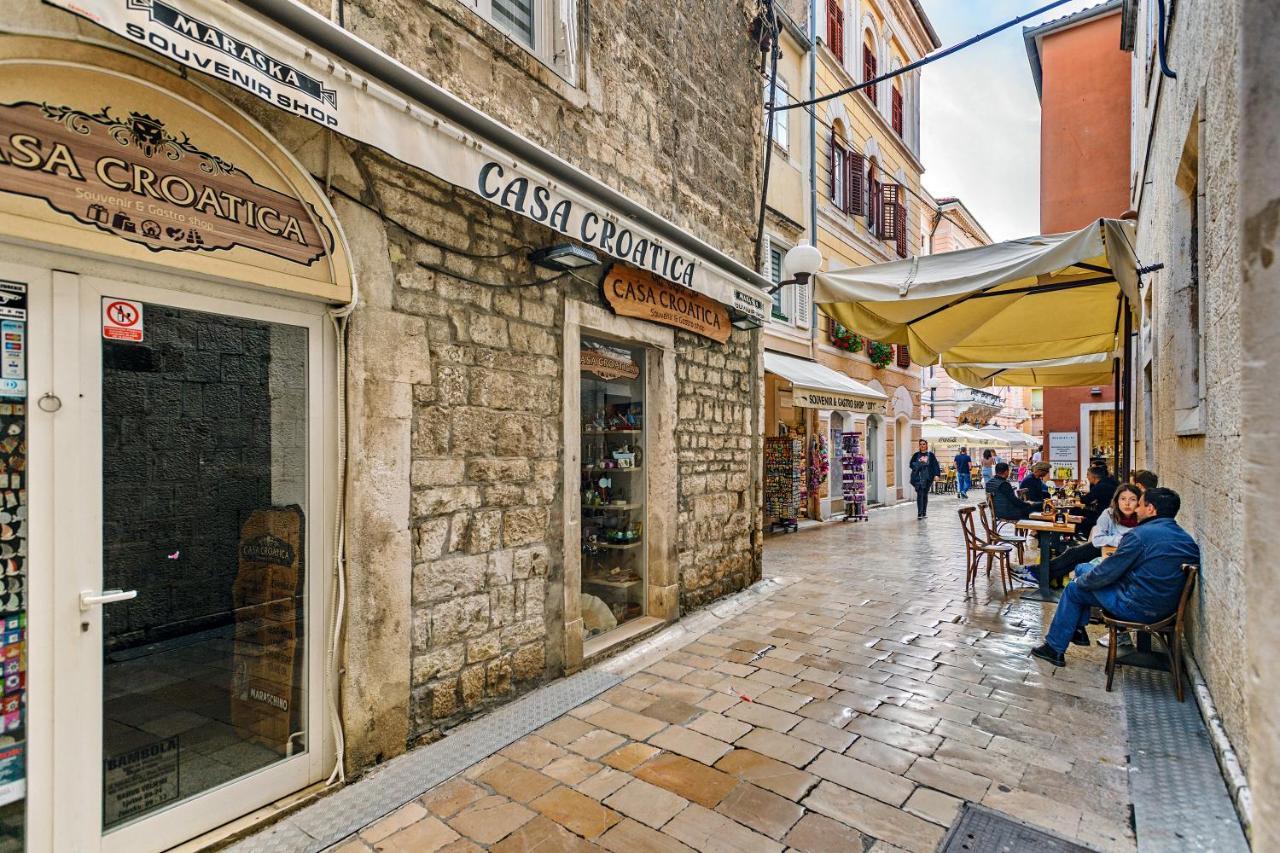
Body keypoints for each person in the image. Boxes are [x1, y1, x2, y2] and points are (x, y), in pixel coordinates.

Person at [1031, 488, 1200, 666]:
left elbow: (1107, 573)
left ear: (1151, 509)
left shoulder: (1139, 535)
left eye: (1140, 504)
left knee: (1074, 588)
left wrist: (1079, 582)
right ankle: (1077, 629)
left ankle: (1055, 647)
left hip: (1139, 606)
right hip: (1166, 606)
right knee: (1082, 568)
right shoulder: (1186, 539)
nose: (1136, 509)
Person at [1035, 484, 1142, 585]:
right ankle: (1042, 574)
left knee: (1076, 554)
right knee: (1074, 553)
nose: (1127, 503)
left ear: (1139, 502)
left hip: (1128, 555)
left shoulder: (1142, 518)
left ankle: (1038, 573)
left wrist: (1112, 539)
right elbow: (1097, 540)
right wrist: (1121, 540)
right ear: (1117, 501)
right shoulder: (1109, 513)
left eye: (1132, 499)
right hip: (1108, 550)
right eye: (1123, 499)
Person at [1076, 463, 1118, 537]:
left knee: (1076, 512)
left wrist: (1078, 494)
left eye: (1088, 475)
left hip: (1106, 515)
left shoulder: (1100, 486)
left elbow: (1085, 500)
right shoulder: (1109, 482)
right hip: (1112, 512)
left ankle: (1086, 538)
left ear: (1093, 476)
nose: (1087, 477)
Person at [909, 439, 941, 519]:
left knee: (925, 495)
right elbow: (911, 464)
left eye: (924, 444)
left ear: (926, 445)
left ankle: (924, 512)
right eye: (921, 444)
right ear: (919, 446)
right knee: (920, 494)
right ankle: (919, 513)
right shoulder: (916, 455)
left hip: (927, 478)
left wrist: (937, 474)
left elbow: (935, 465)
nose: (922, 446)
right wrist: (918, 465)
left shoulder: (931, 455)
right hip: (918, 478)